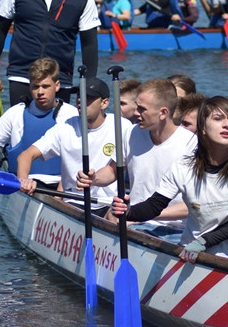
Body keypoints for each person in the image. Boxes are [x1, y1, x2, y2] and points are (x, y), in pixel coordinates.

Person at [111, 96, 228, 266]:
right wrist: (128, 211)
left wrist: (204, 241)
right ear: (202, 128)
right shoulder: (183, 167)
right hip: (193, 254)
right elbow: (154, 205)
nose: (227, 125)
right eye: (218, 119)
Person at [77, 79, 197, 242]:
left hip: (177, 230)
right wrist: (93, 179)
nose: (135, 113)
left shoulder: (191, 145)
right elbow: (113, 171)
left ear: (163, 113)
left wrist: (139, 213)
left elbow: (195, 206)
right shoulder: (131, 133)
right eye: (136, 106)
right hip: (136, 225)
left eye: (142, 109)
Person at [17, 77, 131, 204]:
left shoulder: (121, 126)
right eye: (79, 95)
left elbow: (116, 169)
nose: (80, 100)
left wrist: (94, 179)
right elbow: (26, 155)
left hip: (108, 202)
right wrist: (23, 180)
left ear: (104, 103)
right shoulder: (66, 127)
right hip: (72, 200)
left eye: (88, 97)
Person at [0, 58, 77, 187]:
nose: (40, 92)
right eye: (35, 87)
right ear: (29, 87)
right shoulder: (16, 112)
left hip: (62, 184)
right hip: (23, 182)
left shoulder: (72, 115)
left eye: (45, 86)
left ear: (57, 85)